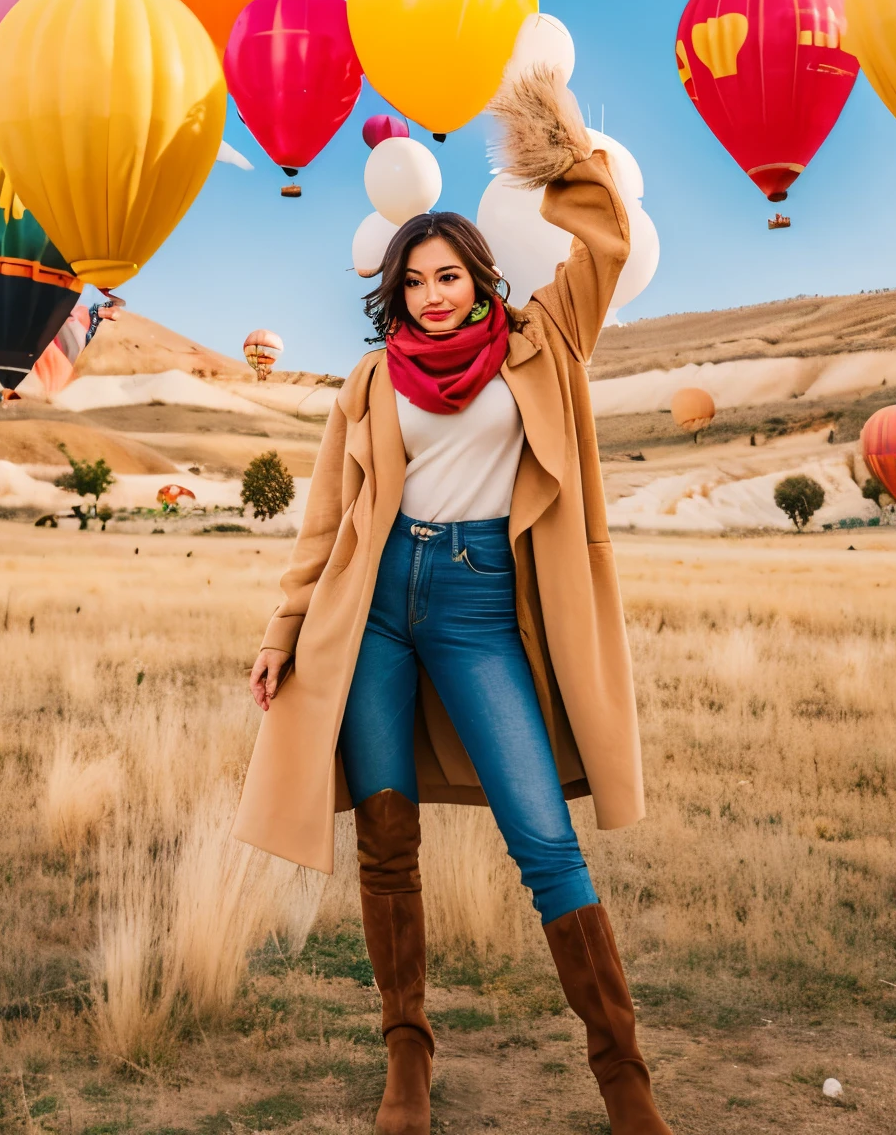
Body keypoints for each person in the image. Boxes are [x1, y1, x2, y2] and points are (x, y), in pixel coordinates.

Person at [235, 67, 671, 1135]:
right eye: (415, 281)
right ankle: (407, 1064)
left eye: (448, 276)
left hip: (481, 609)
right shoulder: (371, 382)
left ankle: (624, 1080)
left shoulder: (544, 342)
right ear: (397, 291)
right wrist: (282, 632)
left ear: (481, 277)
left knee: (544, 842)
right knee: (386, 840)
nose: (432, 294)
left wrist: (555, 147)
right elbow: (325, 524)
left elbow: (606, 246)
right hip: (375, 609)